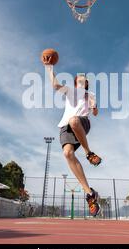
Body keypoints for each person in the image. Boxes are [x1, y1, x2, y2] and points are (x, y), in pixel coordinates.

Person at [43, 60, 103, 217]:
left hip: (82, 123)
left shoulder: (90, 95)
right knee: (67, 154)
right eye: (79, 79)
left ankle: (89, 153)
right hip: (65, 126)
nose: (82, 80)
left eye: (85, 79)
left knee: (74, 120)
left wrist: (94, 107)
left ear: (86, 83)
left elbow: (94, 112)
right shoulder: (70, 91)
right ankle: (90, 194)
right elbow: (55, 86)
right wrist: (49, 68)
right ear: (76, 83)